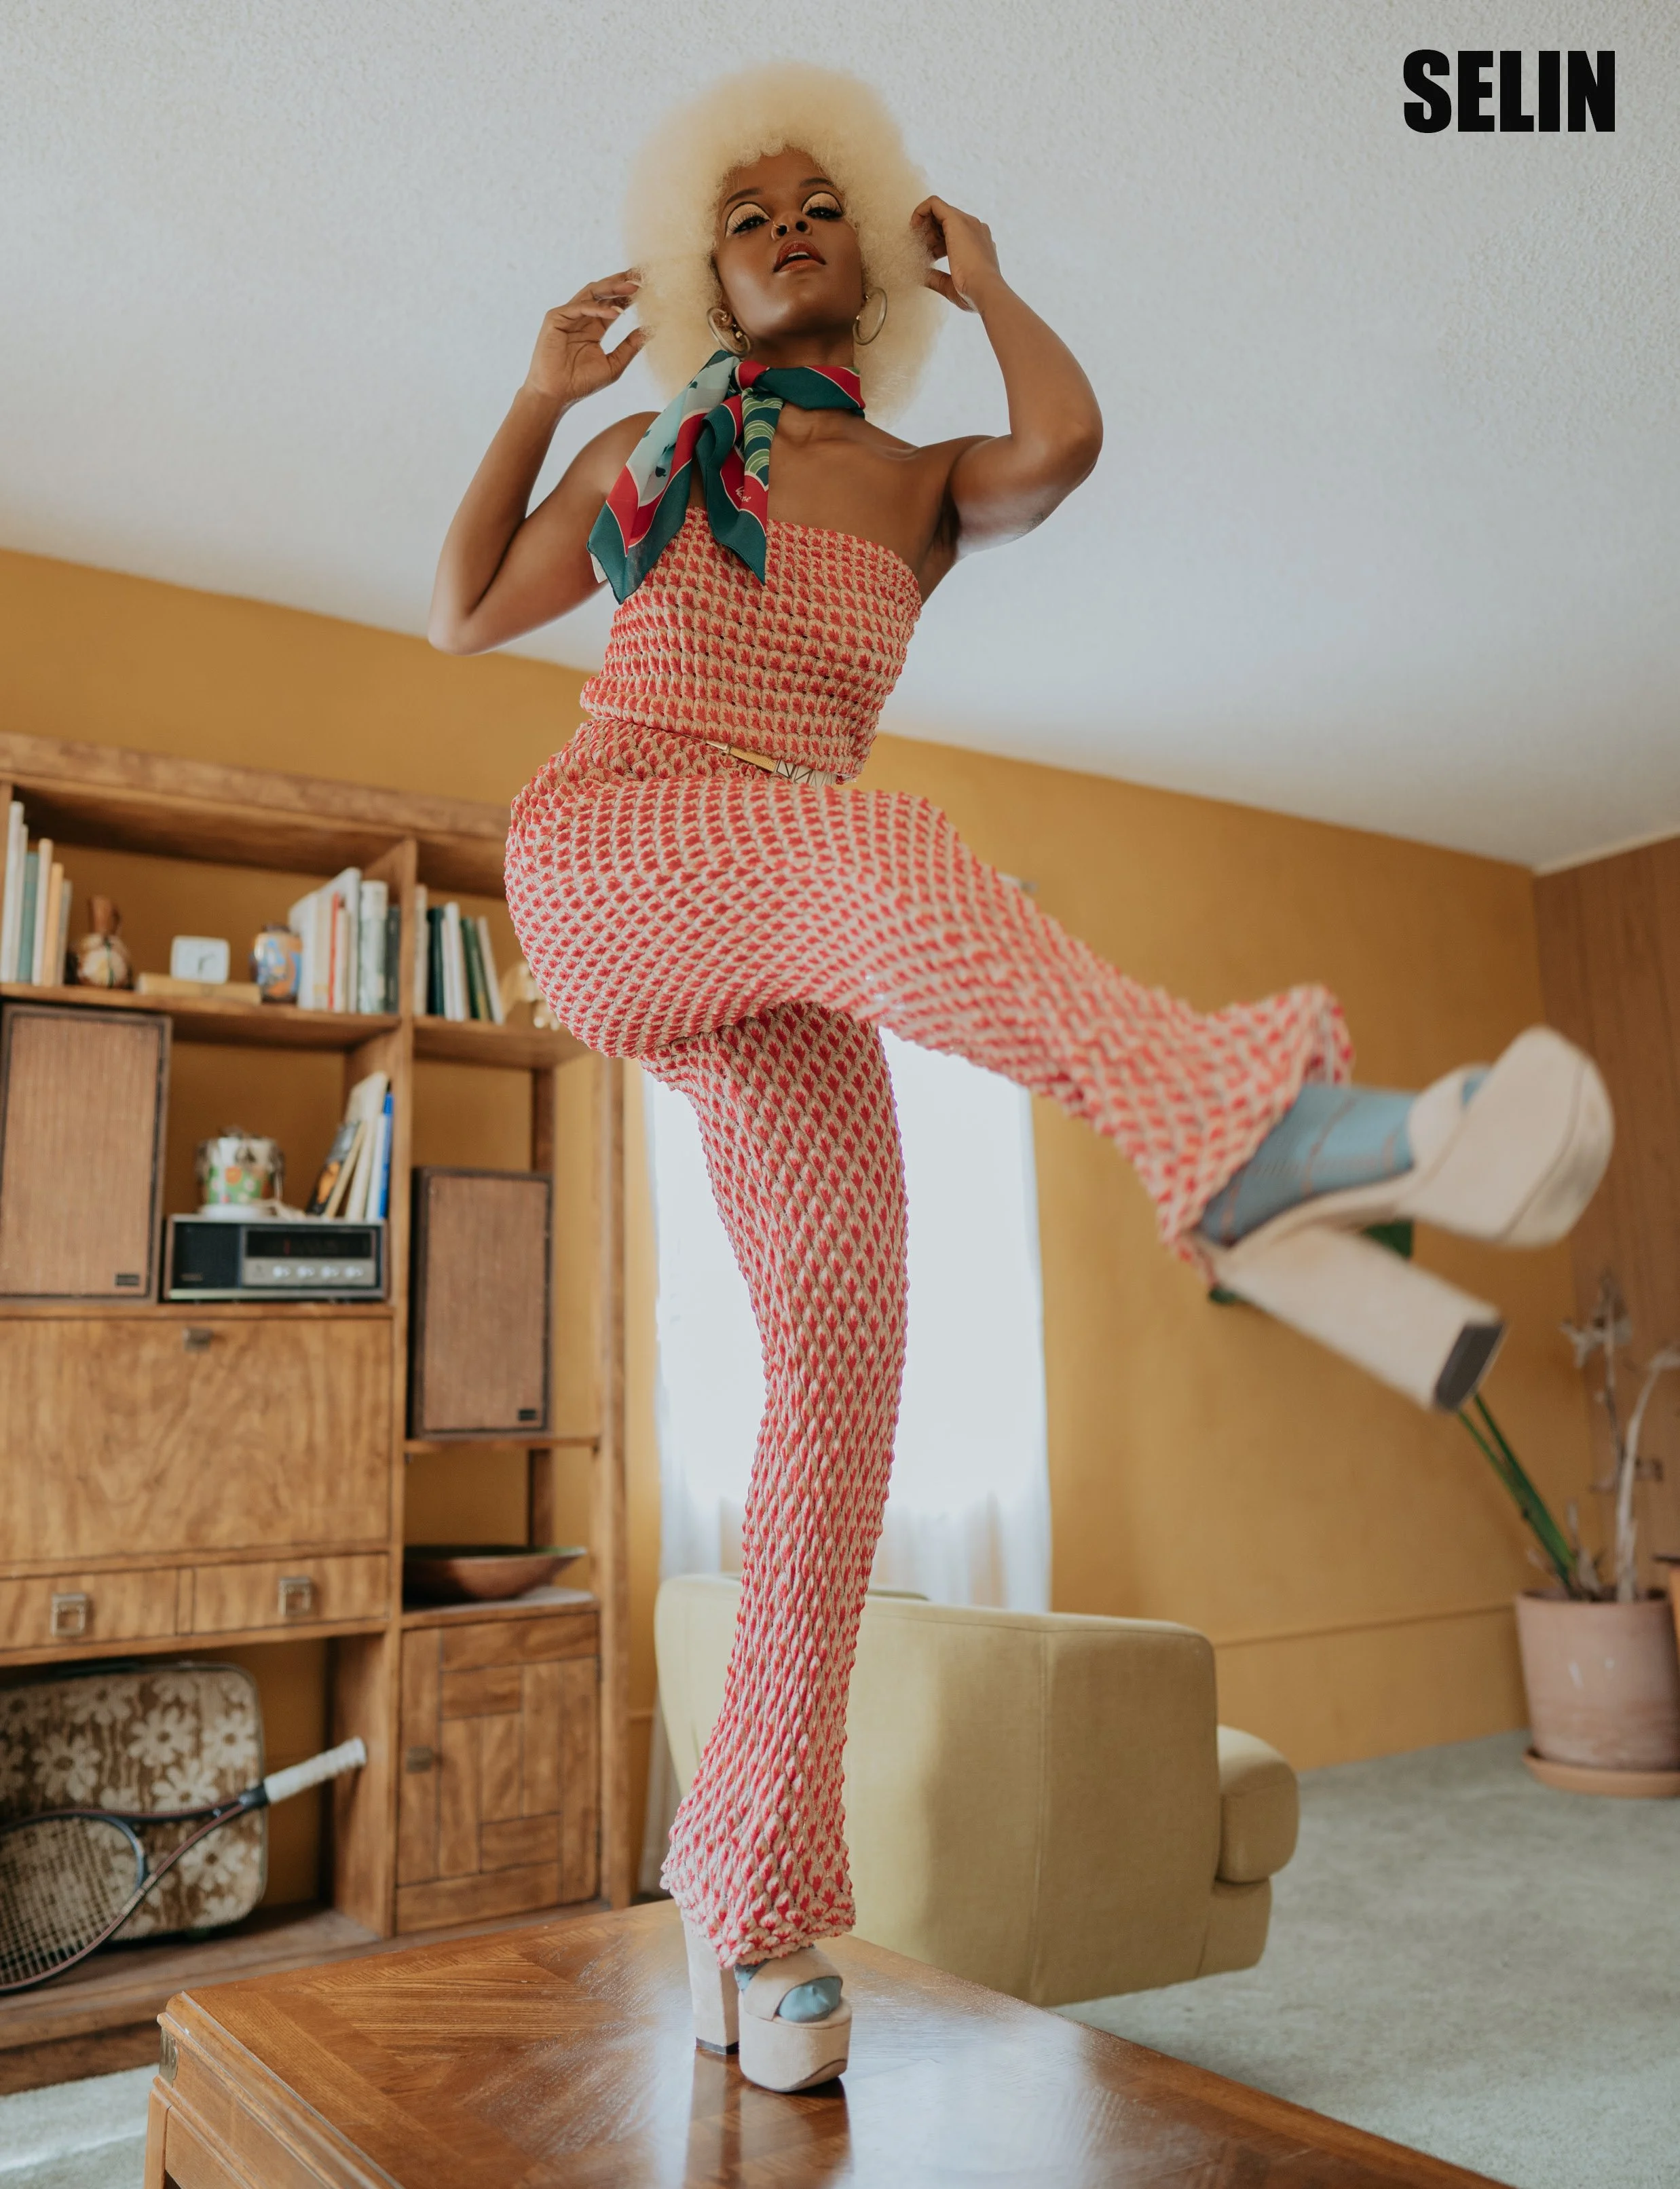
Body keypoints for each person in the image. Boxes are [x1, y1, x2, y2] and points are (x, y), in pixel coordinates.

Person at [431, 64, 1611, 2092]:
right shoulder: (651, 439)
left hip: (784, 924)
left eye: (826, 204)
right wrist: (542, 392)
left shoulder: (916, 481)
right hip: (623, 847)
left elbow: (1063, 440)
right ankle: (1262, 1143)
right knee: (888, 850)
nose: (790, 222)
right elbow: (463, 612)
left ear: (873, 249)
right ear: (702, 270)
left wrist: (997, 281)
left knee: (842, 1380)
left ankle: (756, 1896)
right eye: (749, 213)